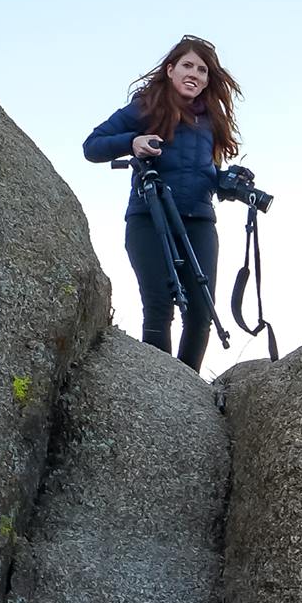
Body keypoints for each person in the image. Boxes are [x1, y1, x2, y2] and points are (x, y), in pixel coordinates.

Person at [83, 34, 246, 372]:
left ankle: (185, 393)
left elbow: (206, 171)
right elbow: (92, 146)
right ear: (170, 70)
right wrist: (133, 141)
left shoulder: (211, 120)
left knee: (202, 312)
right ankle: (157, 388)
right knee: (159, 305)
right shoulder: (146, 106)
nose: (195, 74)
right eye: (187, 65)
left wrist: (229, 182)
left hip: (199, 221)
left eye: (202, 70)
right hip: (150, 218)